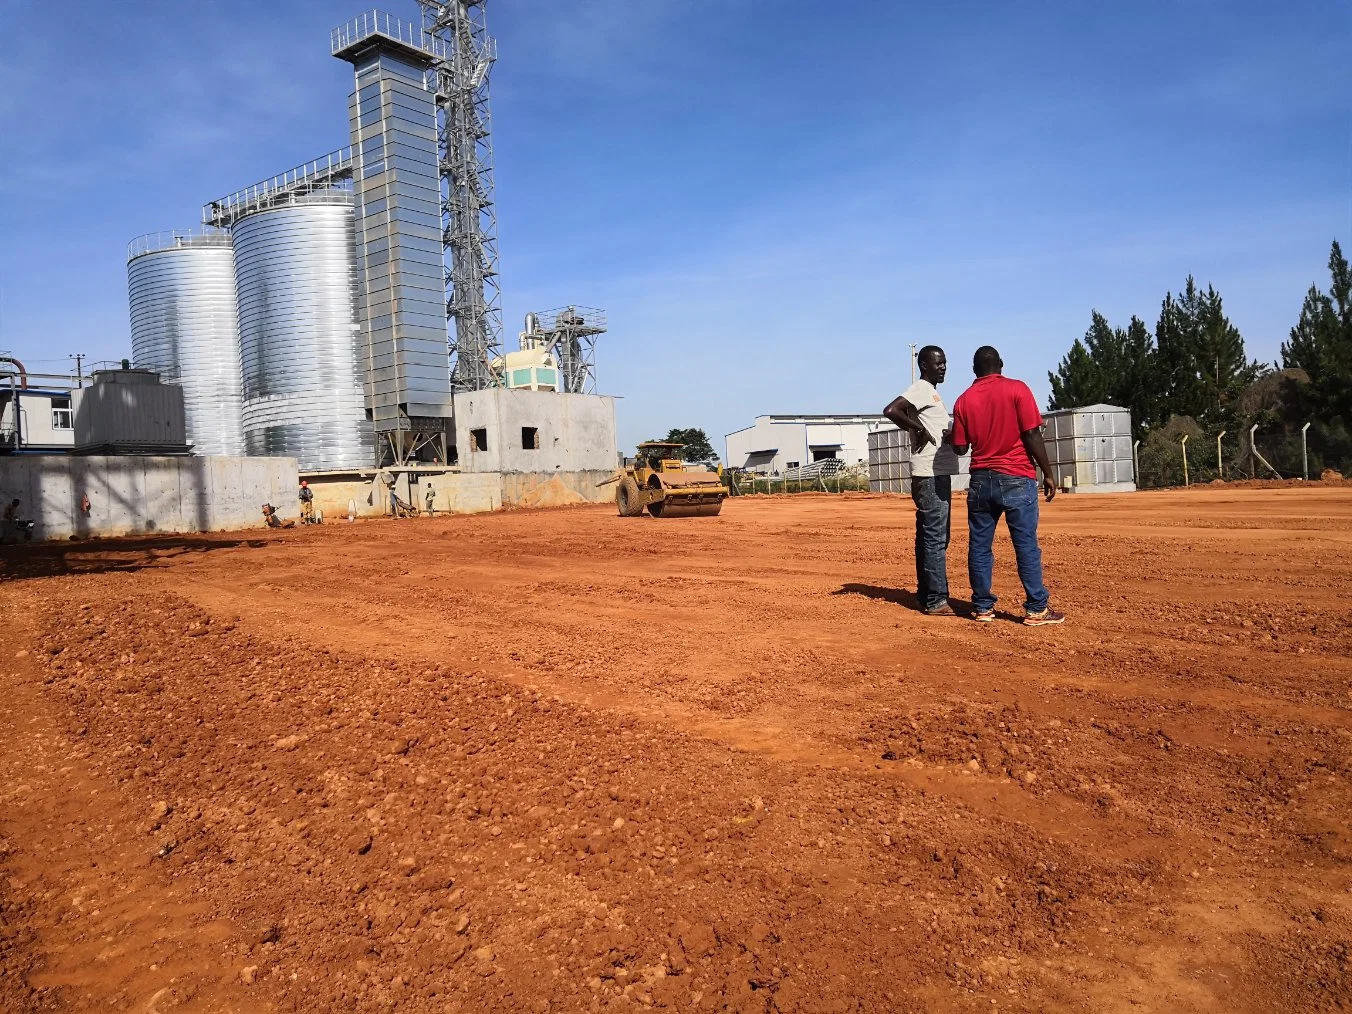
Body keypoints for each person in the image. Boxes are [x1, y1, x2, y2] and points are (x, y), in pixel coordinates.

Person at [950, 346, 1065, 626]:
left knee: (979, 546)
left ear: (974, 370)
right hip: (1017, 476)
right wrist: (1048, 473)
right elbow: (1031, 433)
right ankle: (1036, 609)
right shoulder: (1018, 390)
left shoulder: (963, 400)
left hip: (980, 480)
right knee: (1025, 545)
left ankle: (982, 607)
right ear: (1000, 364)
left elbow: (961, 447)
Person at [883, 345, 961, 616]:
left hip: (935, 472)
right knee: (935, 538)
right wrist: (918, 429)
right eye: (938, 363)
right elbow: (891, 410)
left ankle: (926, 594)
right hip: (929, 474)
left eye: (945, 362)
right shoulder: (921, 389)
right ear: (924, 365)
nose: (943, 367)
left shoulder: (932, 393)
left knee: (931, 537)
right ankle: (936, 600)